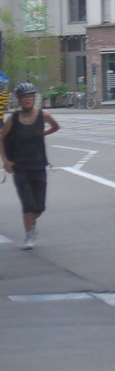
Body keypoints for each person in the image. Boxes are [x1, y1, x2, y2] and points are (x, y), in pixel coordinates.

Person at [1, 82, 61, 250]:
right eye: (24, 97)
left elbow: (56, 127)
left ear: (34, 98)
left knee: (39, 207)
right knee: (27, 203)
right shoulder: (13, 119)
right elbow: (1, 138)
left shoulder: (43, 115)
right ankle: (29, 234)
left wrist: (42, 133)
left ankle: (32, 222)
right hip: (20, 167)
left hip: (39, 165)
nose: (27, 100)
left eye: (30, 97)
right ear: (19, 100)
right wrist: (5, 161)